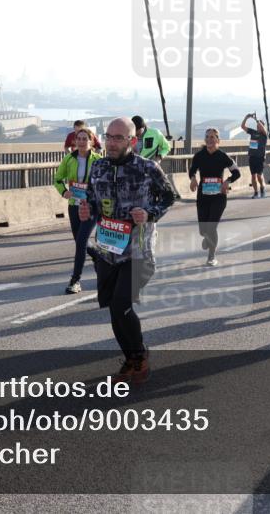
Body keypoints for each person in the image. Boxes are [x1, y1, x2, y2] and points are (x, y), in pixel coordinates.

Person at [79, 117, 175, 384]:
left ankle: (140, 355)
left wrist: (149, 213)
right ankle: (131, 359)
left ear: (132, 141)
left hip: (138, 250)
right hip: (107, 250)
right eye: (108, 137)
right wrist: (88, 209)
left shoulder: (147, 168)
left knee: (122, 304)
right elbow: (92, 198)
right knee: (113, 308)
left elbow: (169, 197)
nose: (111, 142)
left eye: (118, 138)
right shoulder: (98, 166)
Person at [54, 129, 102, 294]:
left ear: (91, 141)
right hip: (74, 205)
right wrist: (64, 191)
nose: (81, 142)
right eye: (79, 139)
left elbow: (104, 182)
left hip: (91, 206)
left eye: (85, 139)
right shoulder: (69, 159)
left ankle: (75, 280)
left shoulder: (98, 160)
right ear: (75, 142)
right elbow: (57, 179)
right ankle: (97, 256)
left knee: (81, 241)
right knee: (79, 241)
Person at [189, 128, 241, 266]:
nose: (209, 139)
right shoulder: (199, 156)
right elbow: (192, 170)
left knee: (211, 227)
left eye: (212, 137)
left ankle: (211, 256)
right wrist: (193, 179)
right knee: (203, 230)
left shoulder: (223, 156)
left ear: (218, 140)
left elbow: (237, 172)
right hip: (203, 196)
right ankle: (207, 238)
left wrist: (227, 181)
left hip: (219, 197)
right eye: (207, 137)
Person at [241, 112, 268, 198]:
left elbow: (262, 128)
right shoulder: (253, 132)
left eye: (260, 126)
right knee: (253, 176)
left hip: (260, 158)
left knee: (259, 176)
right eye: (257, 126)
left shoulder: (264, 135)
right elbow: (243, 126)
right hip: (252, 157)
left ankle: (262, 187)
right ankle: (256, 192)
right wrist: (246, 117)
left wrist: (256, 119)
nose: (258, 127)